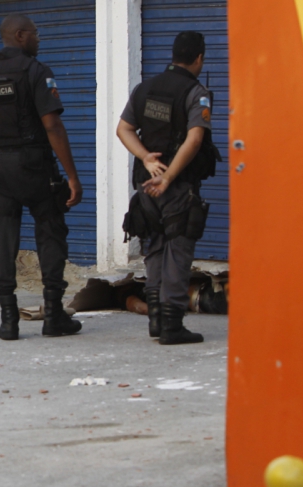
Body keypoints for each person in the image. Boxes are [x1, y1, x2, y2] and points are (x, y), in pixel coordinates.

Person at [0, 14, 83, 341]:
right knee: (50, 231)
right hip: (34, 164)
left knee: (4, 235)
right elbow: (53, 125)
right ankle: (54, 315)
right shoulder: (37, 72)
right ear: (21, 35)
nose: (39, 40)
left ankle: (8, 319)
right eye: (36, 35)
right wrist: (72, 175)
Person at [117, 31, 217, 345]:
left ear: (173, 55)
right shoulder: (196, 92)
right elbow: (195, 139)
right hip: (176, 187)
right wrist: (170, 176)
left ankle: (157, 320)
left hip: (146, 186)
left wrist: (147, 158)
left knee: (156, 249)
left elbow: (124, 129)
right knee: (178, 251)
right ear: (199, 58)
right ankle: (172, 325)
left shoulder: (144, 88)